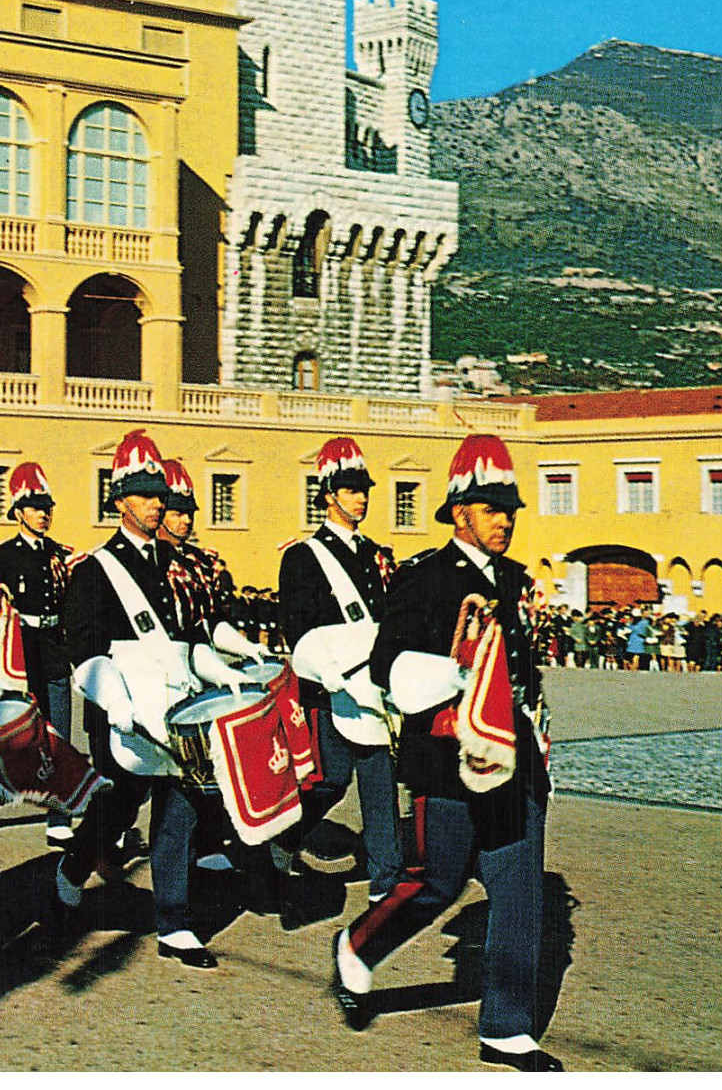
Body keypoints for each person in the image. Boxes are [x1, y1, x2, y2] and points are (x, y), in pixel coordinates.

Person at [341, 433, 559, 1070]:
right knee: (435, 885)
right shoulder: (424, 578)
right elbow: (389, 667)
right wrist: (454, 672)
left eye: (511, 509)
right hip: (446, 761)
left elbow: (523, 677)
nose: (505, 520)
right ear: (461, 512)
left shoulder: (518, 581)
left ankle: (507, 1029)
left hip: (510, 760)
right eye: (492, 508)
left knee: (519, 891)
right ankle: (357, 947)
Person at [55, 429, 250, 968]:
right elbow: (86, 650)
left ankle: (175, 923)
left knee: (179, 810)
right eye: (145, 495)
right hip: (124, 710)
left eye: (161, 494)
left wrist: (224, 673)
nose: (157, 504)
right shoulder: (95, 569)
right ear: (120, 501)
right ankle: (75, 863)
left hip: (175, 709)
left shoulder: (177, 567)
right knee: (117, 805)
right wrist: (115, 702)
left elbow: (192, 641)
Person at [276, 437, 401, 921]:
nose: (361, 498)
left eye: (363, 490)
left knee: (380, 778)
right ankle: (283, 839)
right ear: (328, 494)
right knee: (330, 781)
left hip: (371, 684)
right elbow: (299, 623)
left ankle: (385, 878)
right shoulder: (304, 556)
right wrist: (327, 673)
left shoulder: (376, 554)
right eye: (350, 490)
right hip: (328, 685)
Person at [156, 458, 269, 874]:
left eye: (189, 513)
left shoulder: (200, 564)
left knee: (197, 769)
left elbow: (209, 622)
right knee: (130, 789)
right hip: (147, 674)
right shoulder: (148, 565)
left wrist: (245, 648)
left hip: (194, 669)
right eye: (177, 512)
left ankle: (199, 850)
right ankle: (90, 848)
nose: (185, 520)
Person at [0, 461, 76, 847]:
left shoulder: (59, 555)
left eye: (47, 506)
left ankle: (58, 814)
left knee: (58, 734)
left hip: (51, 647)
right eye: (35, 507)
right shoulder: (0, 557)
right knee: (6, 731)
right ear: (17, 511)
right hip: (19, 650)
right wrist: (0, 633)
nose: (43, 514)